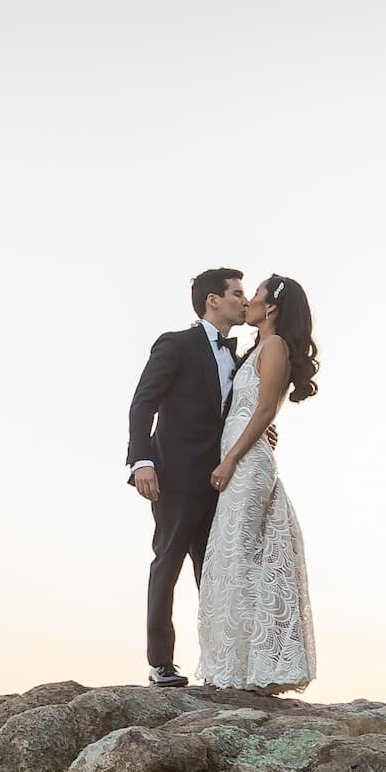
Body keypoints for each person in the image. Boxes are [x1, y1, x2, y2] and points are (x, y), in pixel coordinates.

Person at [124, 268, 249, 687]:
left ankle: (219, 664)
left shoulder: (237, 356)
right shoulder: (176, 344)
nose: (244, 300)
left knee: (214, 572)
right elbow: (143, 404)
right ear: (213, 300)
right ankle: (161, 663)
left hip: (220, 481)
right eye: (236, 293)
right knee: (168, 564)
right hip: (174, 478)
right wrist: (143, 461)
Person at [196, 274, 318, 693]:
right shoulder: (257, 350)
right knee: (230, 558)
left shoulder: (276, 346)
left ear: (272, 308)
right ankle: (233, 664)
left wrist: (231, 459)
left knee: (242, 557)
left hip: (246, 463)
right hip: (240, 455)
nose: (247, 302)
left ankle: (253, 668)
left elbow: (266, 408)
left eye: (256, 296)